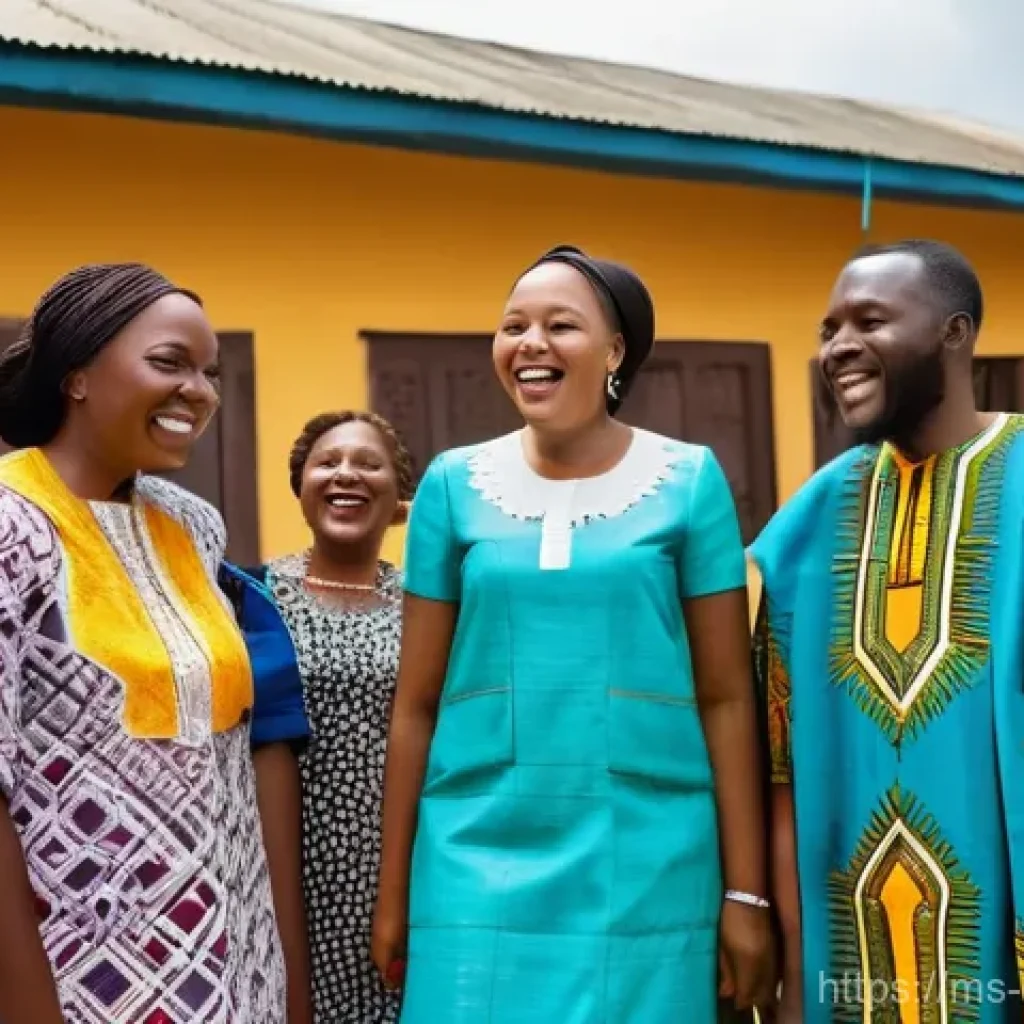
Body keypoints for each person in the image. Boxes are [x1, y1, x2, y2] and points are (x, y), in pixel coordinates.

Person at [373, 244, 774, 1022]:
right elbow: (416, 704)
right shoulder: (453, 486)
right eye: (513, 325)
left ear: (615, 350)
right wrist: (396, 893)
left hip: (650, 859)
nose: (531, 344)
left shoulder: (688, 481)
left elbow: (728, 699)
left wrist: (745, 892)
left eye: (561, 325)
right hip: (472, 858)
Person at [0, 264, 294, 1023]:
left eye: (209, 373)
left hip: (237, 980)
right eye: (170, 363)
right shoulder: (12, 527)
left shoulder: (193, 526)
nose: (198, 390)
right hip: (83, 987)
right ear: (76, 376)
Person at [749, 238, 1024, 1024]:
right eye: (828, 330)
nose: (839, 348)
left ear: (955, 332)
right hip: (849, 975)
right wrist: (797, 979)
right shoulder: (808, 527)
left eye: (869, 321)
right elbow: (780, 773)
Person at [231, 411, 412, 1023]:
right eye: (328, 462)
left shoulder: (430, 607)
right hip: (286, 870)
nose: (346, 475)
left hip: (401, 872)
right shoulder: (249, 597)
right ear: (301, 488)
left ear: (399, 497)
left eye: (368, 463)